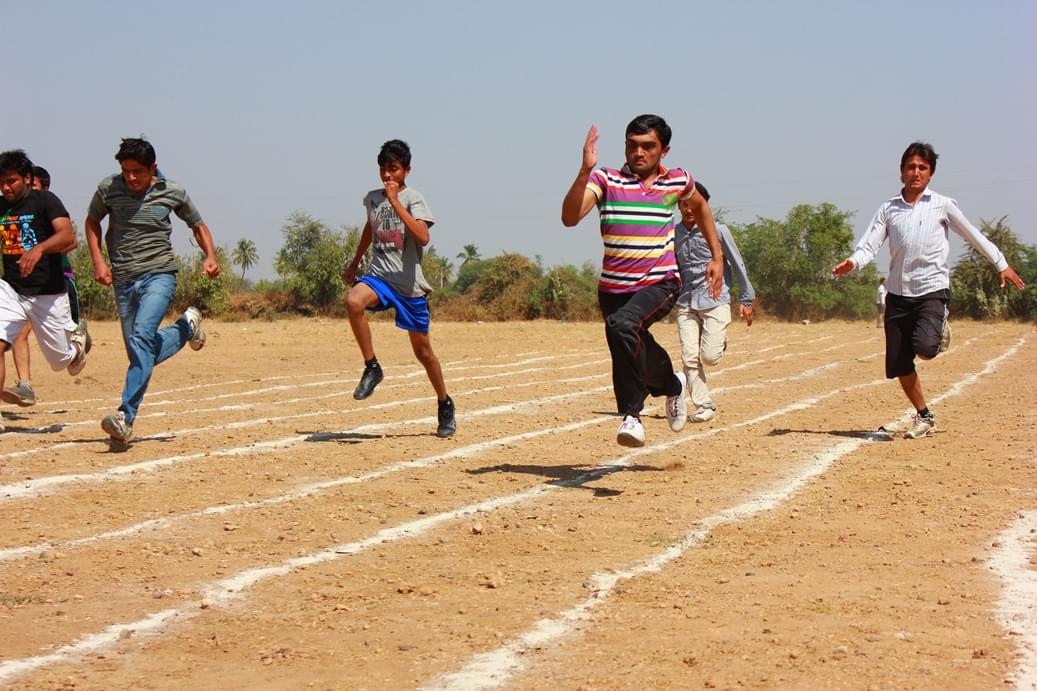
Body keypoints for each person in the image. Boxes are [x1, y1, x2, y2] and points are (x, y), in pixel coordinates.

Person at [832, 141, 1025, 439]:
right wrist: (853, 262)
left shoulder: (942, 205)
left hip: (931, 291)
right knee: (898, 364)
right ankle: (924, 415)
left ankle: (938, 327)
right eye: (911, 167)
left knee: (925, 349)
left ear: (931, 173)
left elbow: (973, 235)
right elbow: (869, 244)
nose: (916, 172)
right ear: (901, 171)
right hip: (898, 294)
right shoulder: (888, 209)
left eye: (922, 167)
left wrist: (1001, 263)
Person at [561, 114, 723, 447]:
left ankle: (631, 416)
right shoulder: (606, 179)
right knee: (627, 339)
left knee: (624, 327)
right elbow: (570, 218)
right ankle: (672, 385)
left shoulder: (676, 182)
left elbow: (702, 208)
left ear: (664, 150)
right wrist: (584, 171)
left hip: (660, 282)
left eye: (648, 146)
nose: (639, 153)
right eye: (632, 146)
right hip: (613, 289)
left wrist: (716, 257)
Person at [84, 138, 218, 445]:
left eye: (138, 172)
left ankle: (124, 417)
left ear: (152, 168)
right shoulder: (108, 189)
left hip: (159, 275)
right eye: (126, 171)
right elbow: (92, 221)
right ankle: (186, 328)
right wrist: (98, 262)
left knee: (141, 338)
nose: (131, 178)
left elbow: (198, 225)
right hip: (123, 280)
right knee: (139, 350)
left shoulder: (172, 191)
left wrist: (210, 256)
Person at [342, 139, 456, 438]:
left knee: (424, 352)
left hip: (409, 286)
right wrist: (355, 262)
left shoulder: (414, 198)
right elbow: (370, 227)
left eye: (393, 169)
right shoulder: (372, 198)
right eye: (383, 169)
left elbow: (422, 236)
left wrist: (395, 201)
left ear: (406, 170)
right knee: (354, 301)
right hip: (379, 276)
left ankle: (444, 403)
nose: (387, 176)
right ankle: (372, 367)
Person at [0, 150, 88, 432]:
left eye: (11, 181)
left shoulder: (45, 201)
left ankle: (77, 346)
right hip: (11, 289)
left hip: (48, 295)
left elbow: (67, 236)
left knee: (60, 361)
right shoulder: (1, 207)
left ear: (27, 178)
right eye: (1, 182)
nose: (5, 187)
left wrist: (39, 249)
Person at [674, 181, 755, 423]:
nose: (689, 209)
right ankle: (704, 405)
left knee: (709, 357)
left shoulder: (718, 231)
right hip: (686, 302)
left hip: (715, 300)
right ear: (678, 206)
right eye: (683, 204)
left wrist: (747, 298)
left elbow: (737, 264)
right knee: (689, 357)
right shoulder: (673, 234)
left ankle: (718, 342)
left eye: (693, 204)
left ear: (704, 205)